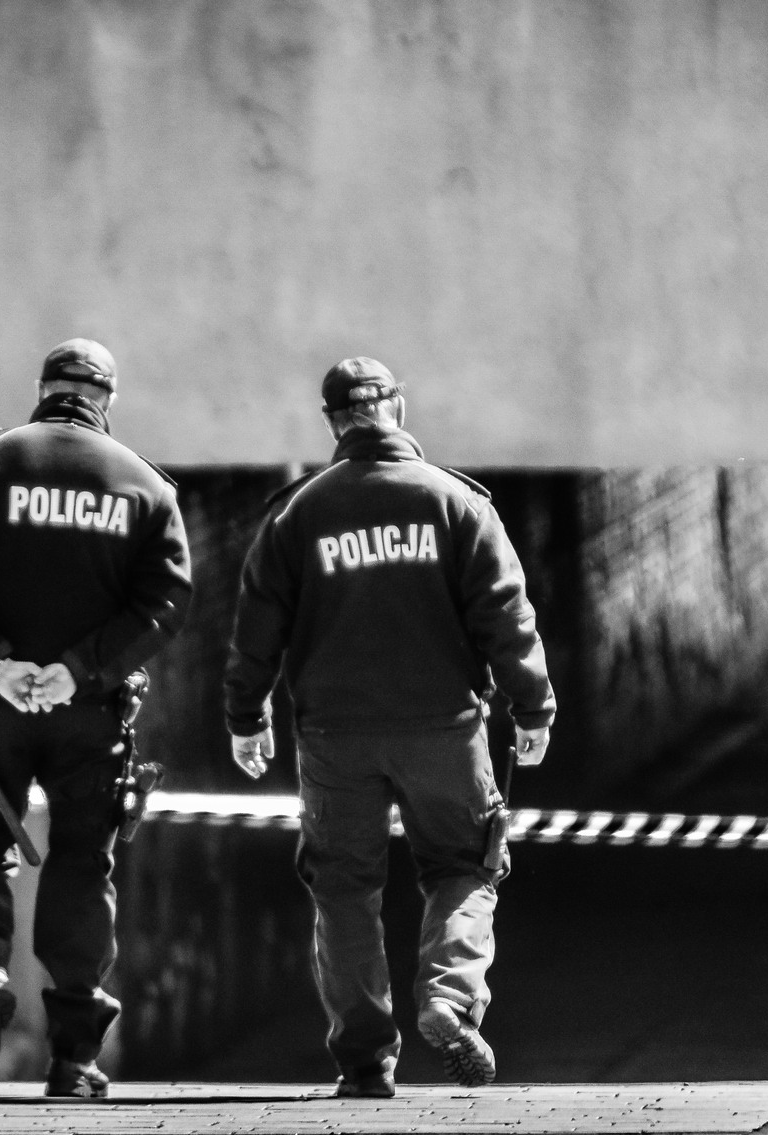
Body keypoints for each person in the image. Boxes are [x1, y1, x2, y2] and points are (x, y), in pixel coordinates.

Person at [223, 356, 556, 1098]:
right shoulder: (456, 503)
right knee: (465, 865)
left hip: (333, 737)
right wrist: (532, 705)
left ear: (334, 421)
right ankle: (448, 997)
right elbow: (505, 614)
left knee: (343, 890)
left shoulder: (296, 514)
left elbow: (256, 628)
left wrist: (246, 716)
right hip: (443, 730)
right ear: (397, 409)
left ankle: (365, 1060)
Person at [0, 338, 193, 1099]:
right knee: (80, 863)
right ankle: (73, 1059)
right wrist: (80, 668)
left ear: (42, 388)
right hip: (90, 717)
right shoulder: (146, 486)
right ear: (108, 400)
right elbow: (166, 602)